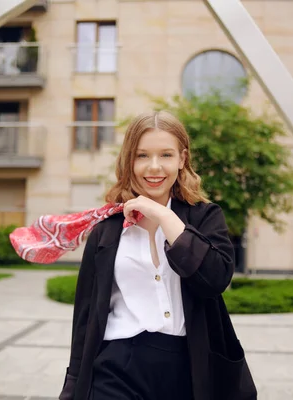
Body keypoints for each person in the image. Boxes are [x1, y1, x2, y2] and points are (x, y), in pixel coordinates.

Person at [59, 111, 257, 400]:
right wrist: (72, 385)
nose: (154, 167)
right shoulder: (107, 230)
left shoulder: (205, 217)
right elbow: (85, 316)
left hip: (188, 366)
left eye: (165, 155)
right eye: (142, 156)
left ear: (182, 158)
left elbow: (215, 279)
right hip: (116, 365)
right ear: (129, 160)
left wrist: (163, 215)